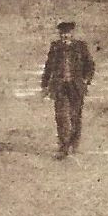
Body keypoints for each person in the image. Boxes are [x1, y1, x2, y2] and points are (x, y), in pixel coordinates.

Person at [40, 20, 95, 159]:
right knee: (61, 116)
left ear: (72, 33)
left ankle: (73, 142)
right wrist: (44, 85)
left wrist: (86, 79)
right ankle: (63, 146)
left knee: (75, 116)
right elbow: (48, 67)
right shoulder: (55, 47)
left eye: (68, 33)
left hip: (76, 86)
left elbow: (90, 64)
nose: (65, 36)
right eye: (62, 33)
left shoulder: (81, 46)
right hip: (59, 86)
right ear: (59, 34)